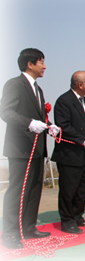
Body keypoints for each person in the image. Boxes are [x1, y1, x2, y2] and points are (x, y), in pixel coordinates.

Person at [0, 48, 59, 249]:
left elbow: (38, 116)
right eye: (41, 61)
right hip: (20, 148)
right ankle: (10, 233)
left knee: (34, 189)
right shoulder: (15, 84)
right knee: (18, 191)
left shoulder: (38, 89)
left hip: (37, 148)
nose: (44, 66)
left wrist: (49, 126)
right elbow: (6, 112)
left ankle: (28, 227)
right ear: (29, 64)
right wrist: (29, 123)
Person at [51, 71, 85, 234]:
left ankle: (77, 215)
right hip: (69, 153)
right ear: (80, 84)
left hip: (83, 154)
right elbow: (64, 126)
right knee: (69, 189)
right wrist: (82, 139)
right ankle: (67, 220)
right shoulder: (64, 101)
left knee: (82, 188)